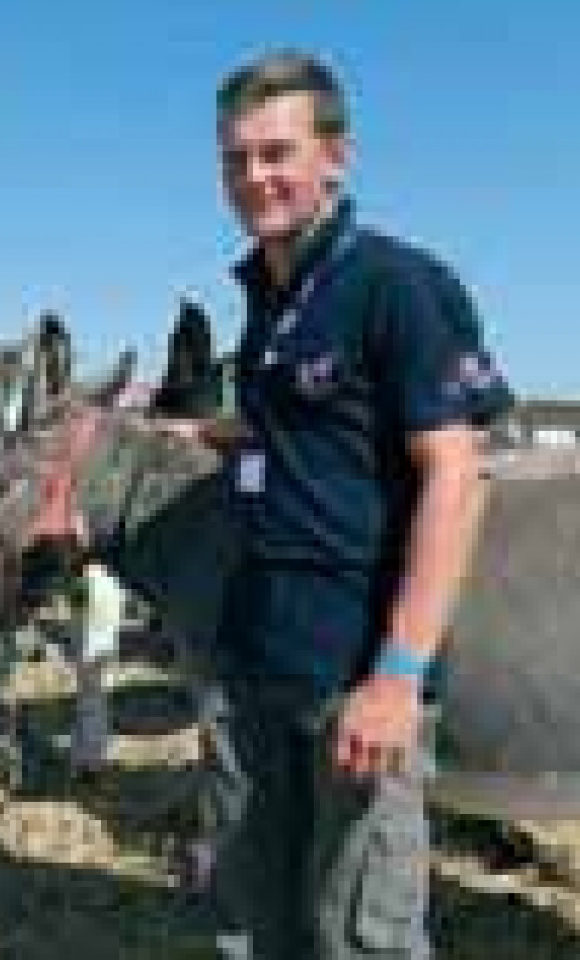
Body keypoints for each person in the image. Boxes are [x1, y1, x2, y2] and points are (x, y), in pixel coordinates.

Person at [196, 50, 514, 958]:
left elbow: (456, 472)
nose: (254, 177)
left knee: (361, 931)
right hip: (262, 663)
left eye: (275, 153)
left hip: (354, 679)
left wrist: (398, 676)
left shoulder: (397, 285)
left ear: (336, 157)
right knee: (271, 920)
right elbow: (296, 431)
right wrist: (193, 437)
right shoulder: (266, 297)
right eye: (235, 159)